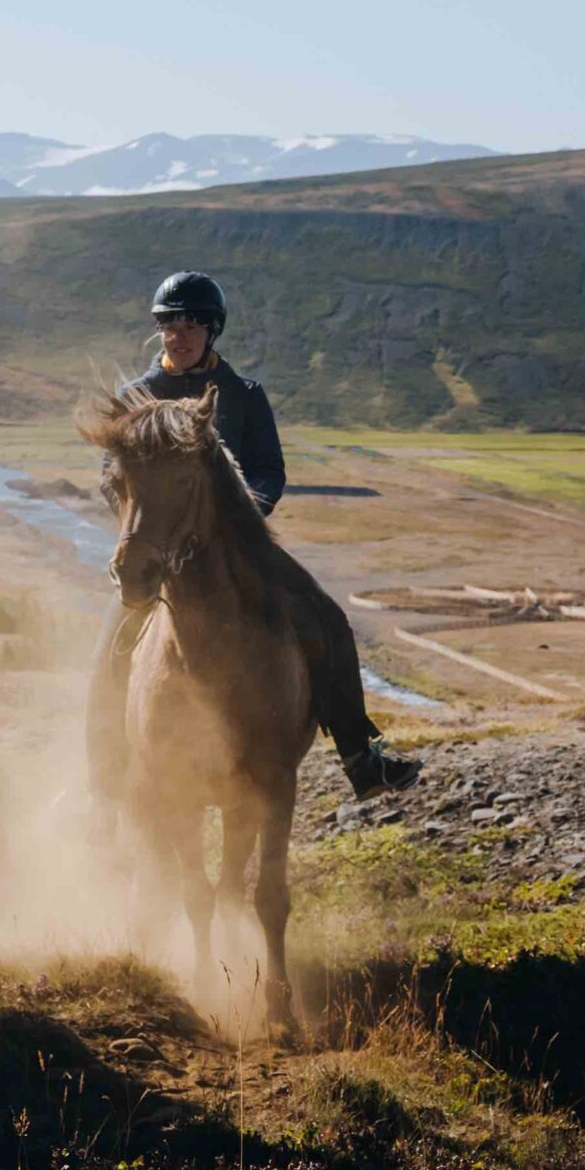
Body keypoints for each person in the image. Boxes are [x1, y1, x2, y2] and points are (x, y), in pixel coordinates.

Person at [87, 271, 421, 802]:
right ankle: (103, 784)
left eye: (192, 323)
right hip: (158, 549)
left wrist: (245, 511)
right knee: (109, 649)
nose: (179, 334)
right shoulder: (138, 397)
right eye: (170, 323)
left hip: (237, 549)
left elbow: (268, 469)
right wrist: (140, 526)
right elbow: (112, 474)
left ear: (212, 330)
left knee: (326, 617)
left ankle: (360, 756)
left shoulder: (244, 395)